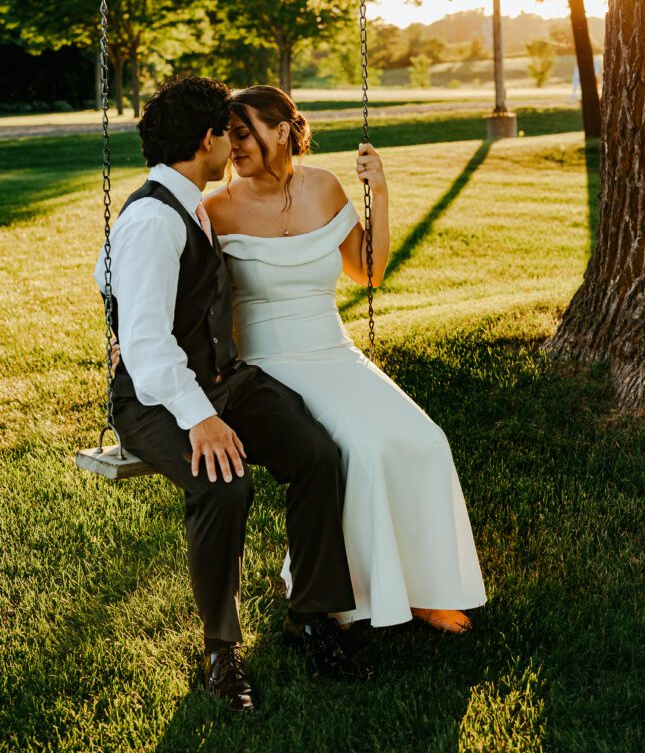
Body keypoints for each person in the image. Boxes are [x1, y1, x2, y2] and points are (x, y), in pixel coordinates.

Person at [94, 76, 365, 715]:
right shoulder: (155, 219)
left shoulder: (190, 203)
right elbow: (148, 349)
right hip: (155, 400)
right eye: (229, 132)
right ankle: (221, 650)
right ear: (207, 138)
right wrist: (201, 421)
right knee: (224, 484)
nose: (234, 145)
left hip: (221, 380)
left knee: (316, 455)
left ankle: (312, 616)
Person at [204, 85, 486, 634]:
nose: (232, 147)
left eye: (243, 133)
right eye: (228, 136)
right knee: (359, 445)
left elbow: (369, 272)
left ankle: (425, 590)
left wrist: (379, 191)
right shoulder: (217, 207)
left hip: (334, 351)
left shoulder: (325, 188)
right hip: (268, 365)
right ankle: (345, 598)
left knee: (426, 439)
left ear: (282, 129)